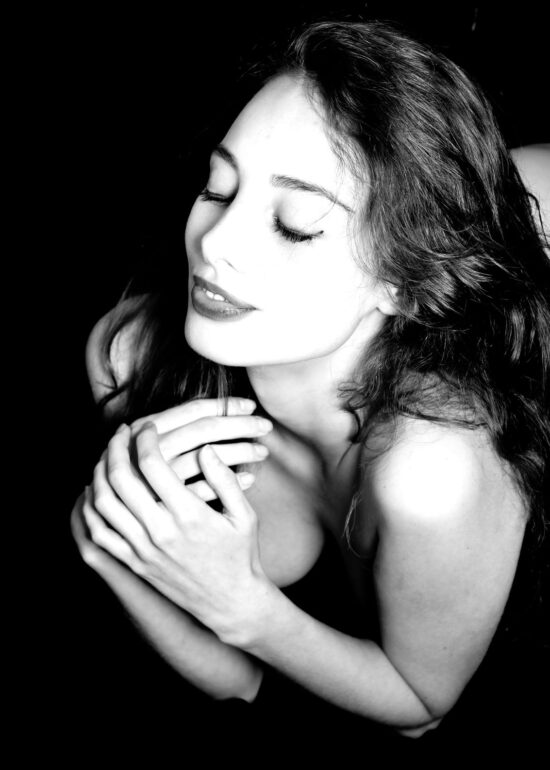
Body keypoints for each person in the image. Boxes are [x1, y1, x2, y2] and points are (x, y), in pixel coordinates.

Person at [70, 21, 550, 751]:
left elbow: (423, 707)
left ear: (402, 283)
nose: (214, 244)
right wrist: (111, 548)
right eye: (218, 187)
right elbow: (243, 687)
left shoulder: (433, 469)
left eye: (294, 225)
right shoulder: (132, 358)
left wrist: (246, 608)